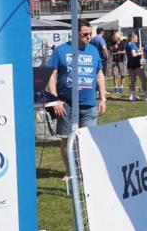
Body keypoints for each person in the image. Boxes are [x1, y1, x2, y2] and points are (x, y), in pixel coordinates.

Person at [46, 21, 107, 181]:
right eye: (84, 34)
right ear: (75, 33)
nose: (88, 37)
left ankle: (85, 171)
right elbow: (51, 76)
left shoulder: (94, 51)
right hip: (66, 104)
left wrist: (103, 98)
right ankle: (69, 170)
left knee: (88, 139)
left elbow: (99, 75)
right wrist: (55, 100)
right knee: (66, 139)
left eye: (90, 34)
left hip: (89, 104)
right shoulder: (60, 51)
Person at [125, 32, 147, 101]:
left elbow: (132, 52)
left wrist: (139, 50)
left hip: (130, 64)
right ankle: (146, 95)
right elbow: (134, 54)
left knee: (132, 80)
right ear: (132, 38)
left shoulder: (127, 44)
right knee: (144, 79)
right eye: (136, 37)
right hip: (136, 64)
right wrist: (141, 53)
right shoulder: (132, 44)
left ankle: (133, 96)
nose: (137, 38)